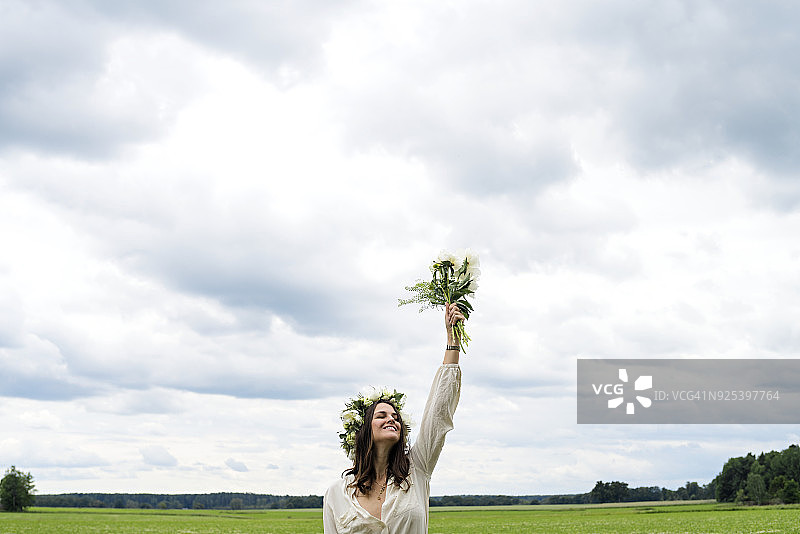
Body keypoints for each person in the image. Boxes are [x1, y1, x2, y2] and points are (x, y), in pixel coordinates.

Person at [323, 302, 464, 533]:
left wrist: (452, 342)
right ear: (363, 430)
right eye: (381, 415)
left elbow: (437, 415)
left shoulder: (417, 469)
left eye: (395, 416)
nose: (392, 419)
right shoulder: (336, 494)